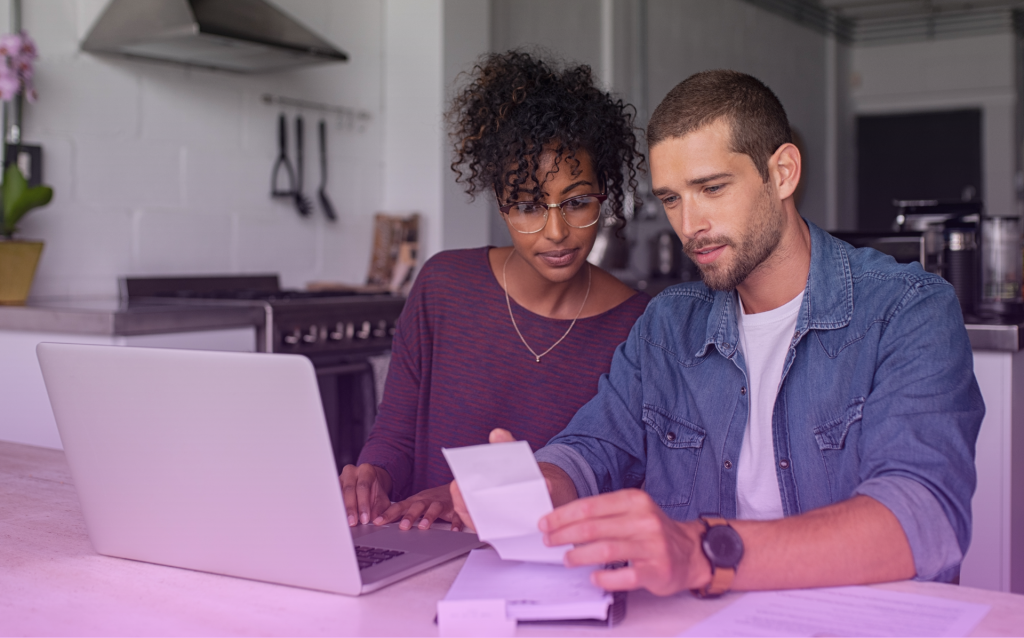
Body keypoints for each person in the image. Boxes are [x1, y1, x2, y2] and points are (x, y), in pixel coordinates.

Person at [453, 69, 984, 596]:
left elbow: (924, 518)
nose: (689, 224)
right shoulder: (667, 326)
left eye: (711, 188)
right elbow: (593, 447)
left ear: (783, 173)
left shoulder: (907, 309)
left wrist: (705, 552)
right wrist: (539, 484)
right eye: (672, 198)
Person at [340, 51, 651, 532]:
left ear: (604, 197)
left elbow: (616, 479)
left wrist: (466, 498)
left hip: (548, 572)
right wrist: (373, 477)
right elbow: (396, 436)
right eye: (527, 205)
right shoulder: (443, 286)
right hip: (421, 554)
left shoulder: (638, 326)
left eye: (577, 202)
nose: (555, 231)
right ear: (502, 207)